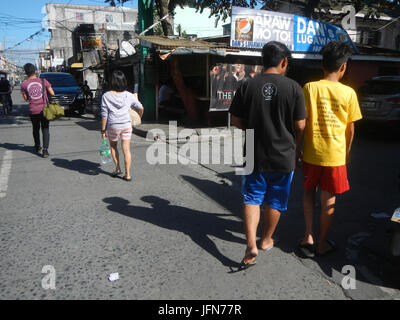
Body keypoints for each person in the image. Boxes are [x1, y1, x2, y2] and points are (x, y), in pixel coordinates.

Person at [229, 41, 306, 268]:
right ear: (284, 62)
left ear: (263, 62)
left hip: (253, 149)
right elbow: (300, 125)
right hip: (284, 153)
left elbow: (235, 121)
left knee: (251, 198)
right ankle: (266, 240)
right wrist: (296, 146)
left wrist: (254, 129)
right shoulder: (294, 88)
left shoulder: (247, 85)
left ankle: (250, 243)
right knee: (276, 199)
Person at [298, 41, 363, 257]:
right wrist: (346, 152)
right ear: (343, 66)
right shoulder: (349, 93)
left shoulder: (310, 88)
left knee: (308, 192)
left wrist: (298, 147)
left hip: (311, 152)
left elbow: (302, 122)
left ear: (322, 65)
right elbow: (350, 129)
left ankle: (308, 235)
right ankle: (322, 243)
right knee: (329, 199)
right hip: (335, 156)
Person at [101, 70, 144, 181]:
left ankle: (117, 169)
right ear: (124, 81)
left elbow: (104, 115)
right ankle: (128, 174)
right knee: (126, 150)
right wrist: (140, 117)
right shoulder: (129, 95)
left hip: (113, 126)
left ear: (112, 82)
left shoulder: (106, 96)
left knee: (113, 147)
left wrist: (103, 130)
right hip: (126, 125)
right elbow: (141, 107)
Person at [21, 63, 55, 158]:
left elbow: (25, 98)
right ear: (35, 71)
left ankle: (37, 146)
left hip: (33, 110)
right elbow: (52, 93)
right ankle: (45, 150)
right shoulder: (43, 81)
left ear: (26, 73)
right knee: (45, 128)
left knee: (35, 128)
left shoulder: (24, 84)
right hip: (44, 109)